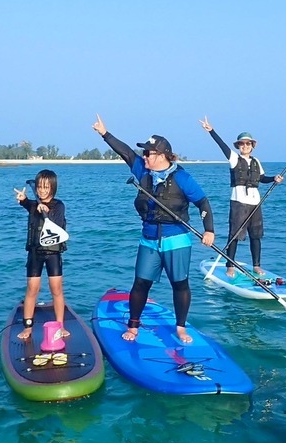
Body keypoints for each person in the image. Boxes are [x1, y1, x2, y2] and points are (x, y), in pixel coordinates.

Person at [92, 114, 215, 344]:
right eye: (144, 152)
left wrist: (209, 231)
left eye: (148, 153)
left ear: (162, 155)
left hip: (176, 239)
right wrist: (105, 134)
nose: (144, 156)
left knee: (180, 284)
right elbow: (126, 153)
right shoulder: (143, 171)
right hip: (149, 239)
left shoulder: (183, 178)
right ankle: (133, 326)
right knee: (140, 283)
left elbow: (203, 203)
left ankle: (180, 328)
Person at [199, 117, 283, 277]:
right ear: (238, 146)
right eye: (242, 144)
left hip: (255, 203)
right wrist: (211, 131)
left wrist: (274, 179)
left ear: (252, 146)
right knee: (234, 235)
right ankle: (230, 265)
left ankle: (256, 266)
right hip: (239, 203)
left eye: (248, 143)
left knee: (256, 236)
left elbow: (262, 178)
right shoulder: (234, 158)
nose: (245, 146)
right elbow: (222, 145)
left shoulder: (256, 161)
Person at [13, 169, 69, 342]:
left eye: (46, 187)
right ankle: (28, 326)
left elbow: (57, 221)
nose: (42, 190)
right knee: (32, 289)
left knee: (56, 289)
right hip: (35, 253)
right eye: (39, 187)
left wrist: (46, 211)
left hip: (53, 253)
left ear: (53, 188)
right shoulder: (33, 205)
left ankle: (60, 325)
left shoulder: (59, 205)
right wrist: (23, 199)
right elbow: (27, 203)